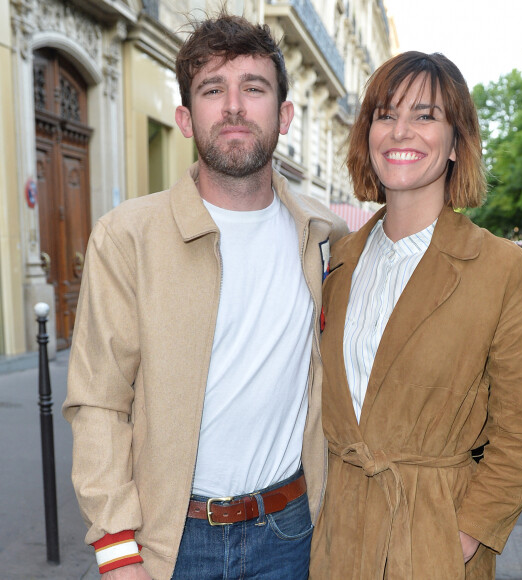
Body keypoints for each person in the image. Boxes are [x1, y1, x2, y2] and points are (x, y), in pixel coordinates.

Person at [63, 12, 348, 580]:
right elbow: (98, 400)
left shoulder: (324, 237)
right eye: (213, 90)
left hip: (291, 532)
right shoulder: (128, 236)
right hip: (170, 541)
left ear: (284, 114)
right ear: (186, 118)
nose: (235, 106)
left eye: (254, 88)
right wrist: (117, 550)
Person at [309, 51, 522, 579]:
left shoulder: (502, 269)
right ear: (367, 134)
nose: (401, 132)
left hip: (432, 541)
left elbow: (521, 436)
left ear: (457, 141)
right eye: (386, 114)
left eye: (425, 116)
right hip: (335, 540)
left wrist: (459, 536)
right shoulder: (337, 260)